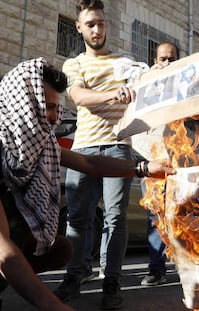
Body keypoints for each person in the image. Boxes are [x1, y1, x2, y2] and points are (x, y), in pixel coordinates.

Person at [0, 58, 175, 311]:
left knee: (60, 249)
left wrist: (144, 168)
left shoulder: (41, 146)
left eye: (55, 108)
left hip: (6, 248)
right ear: (20, 105)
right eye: (45, 107)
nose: (52, 117)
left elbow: (88, 163)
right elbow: (3, 250)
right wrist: (53, 305)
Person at [54, 0, 145, 309]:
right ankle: (73, 277)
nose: (96, 29)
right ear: (79, 27)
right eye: (90, 24)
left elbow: (146, 89)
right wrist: (112, 93)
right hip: (83, 148)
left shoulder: (126, 62)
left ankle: (112, 282)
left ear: (107, 25)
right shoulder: (74, 64)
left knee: (116, 218)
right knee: (78, 219)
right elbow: (78, 96)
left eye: (101, 23)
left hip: (119, 146)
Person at [140, 42, 179, 287]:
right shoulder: (147, 85)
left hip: (181, 163)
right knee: (155, 219)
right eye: (162, 59)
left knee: (186, 217)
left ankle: (192, 269)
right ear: (156, 61)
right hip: (153, 163)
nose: (166, 64)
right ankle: (157, 269)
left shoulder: (188, 86)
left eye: (172, 59)